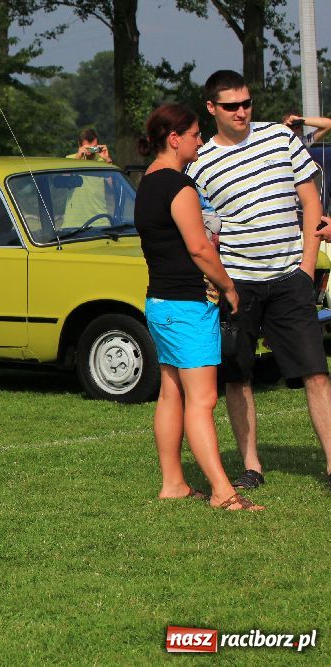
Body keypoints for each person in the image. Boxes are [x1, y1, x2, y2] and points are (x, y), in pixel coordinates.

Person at [187, 69, 331, 491]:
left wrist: (306, 270)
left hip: (290, 277)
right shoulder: (202, 160)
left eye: (247, 103)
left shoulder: (280, 138)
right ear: (212, 108)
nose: (242, 112)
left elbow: (310, 203)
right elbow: (196, 223)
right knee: (238, 376)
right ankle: (252, 466)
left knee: (316, 374)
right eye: (231, 106)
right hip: (238, 285)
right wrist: (213, 278)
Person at [135, 103, 260, 511]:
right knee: (202, 400)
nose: (200, 141)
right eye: (194, 134)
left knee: (171, 393)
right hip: (188, 306)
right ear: (174, 139)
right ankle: (223, 493)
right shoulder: (179, 187)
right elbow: (199, 247)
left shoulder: (147, 182)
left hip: (160, 303)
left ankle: (173, 482)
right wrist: (229, 287)